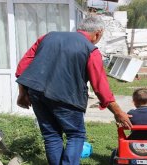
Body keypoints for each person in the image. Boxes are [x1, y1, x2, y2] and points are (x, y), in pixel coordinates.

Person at [15, 15, 132, 165]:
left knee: (51, 135)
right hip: (66, 97)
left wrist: (22, 93)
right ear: (98, 33)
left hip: (36, 93)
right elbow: (100, 86)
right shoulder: (90, 50)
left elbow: (22, 66)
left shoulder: (47, 37)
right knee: (75, 135)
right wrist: (118, 112)